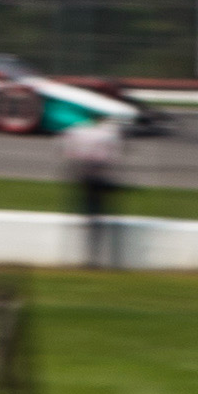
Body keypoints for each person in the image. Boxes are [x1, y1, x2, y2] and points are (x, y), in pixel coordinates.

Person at [62, 106, 130, 271]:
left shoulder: (77, 131)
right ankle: (102, 260)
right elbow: (114, 157)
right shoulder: (109, 133)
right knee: (101, 218)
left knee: (89, 216)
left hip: (82, 175)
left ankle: (89, 259)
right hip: (100, 176)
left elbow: (68, 153)